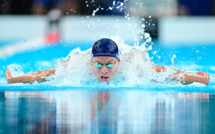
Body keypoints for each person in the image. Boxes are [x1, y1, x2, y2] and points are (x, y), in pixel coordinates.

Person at [5, 38, 210, 85]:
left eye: (110, 64)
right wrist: (16, 79)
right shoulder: (79, 64)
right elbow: (46, 74)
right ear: (91, 63)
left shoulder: (132, 64)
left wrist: (198, 78)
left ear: (119, 62)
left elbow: (167, 73)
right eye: (99, 65)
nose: (104, 70)